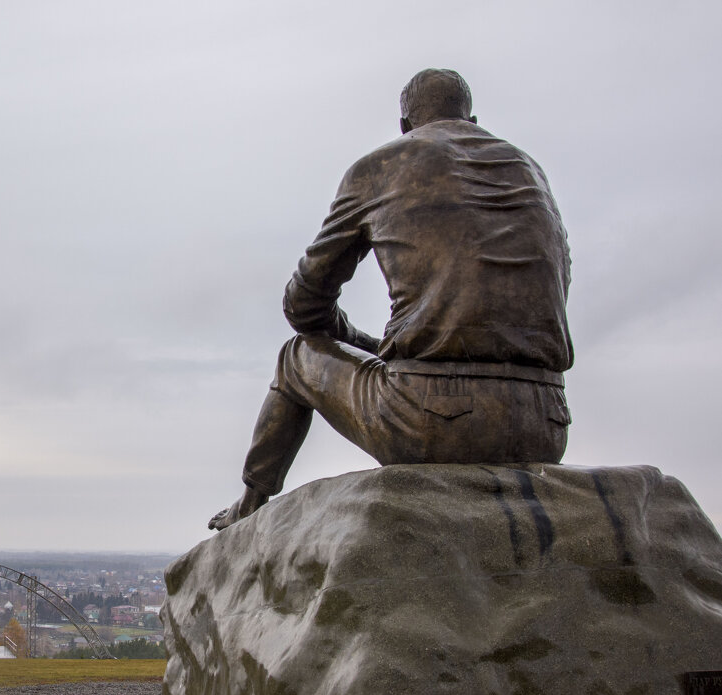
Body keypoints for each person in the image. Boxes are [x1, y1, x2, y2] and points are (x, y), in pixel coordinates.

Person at [209, 68, 573, 531]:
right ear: (472, 119)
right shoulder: (532, 173)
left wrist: (354, 339)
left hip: (432, 419)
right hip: (545, 422)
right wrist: (383, 345)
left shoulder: (381, 167)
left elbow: (303, 307)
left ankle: (249, 507)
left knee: (295, 358)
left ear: (405, 125)